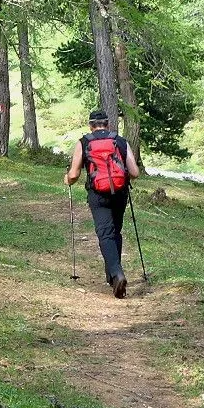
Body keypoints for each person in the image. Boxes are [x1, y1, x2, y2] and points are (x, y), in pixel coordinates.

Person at [65, 108, 142, 298]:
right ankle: (112, 277)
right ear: (108, 124)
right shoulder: (120, 141)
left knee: (105, 233)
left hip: (98, 194)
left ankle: (117, 273)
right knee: (115, 232)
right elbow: (134, 173)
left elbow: (74, 175)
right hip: (120, 192)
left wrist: (67, 179)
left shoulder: (84, 142)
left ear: (90, 126)